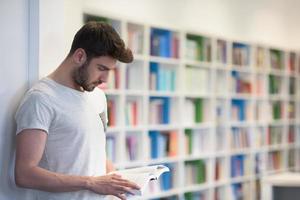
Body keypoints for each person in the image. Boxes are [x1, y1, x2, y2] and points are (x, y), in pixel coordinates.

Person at [14, 21, 140, 200]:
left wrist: (116, 181)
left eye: (110, 71)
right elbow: (24, 174)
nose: (105, 79)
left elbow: (93, 153)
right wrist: (90, 182)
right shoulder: (40, 99)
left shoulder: (98, 97)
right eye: (101, 68)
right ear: (80, 56)